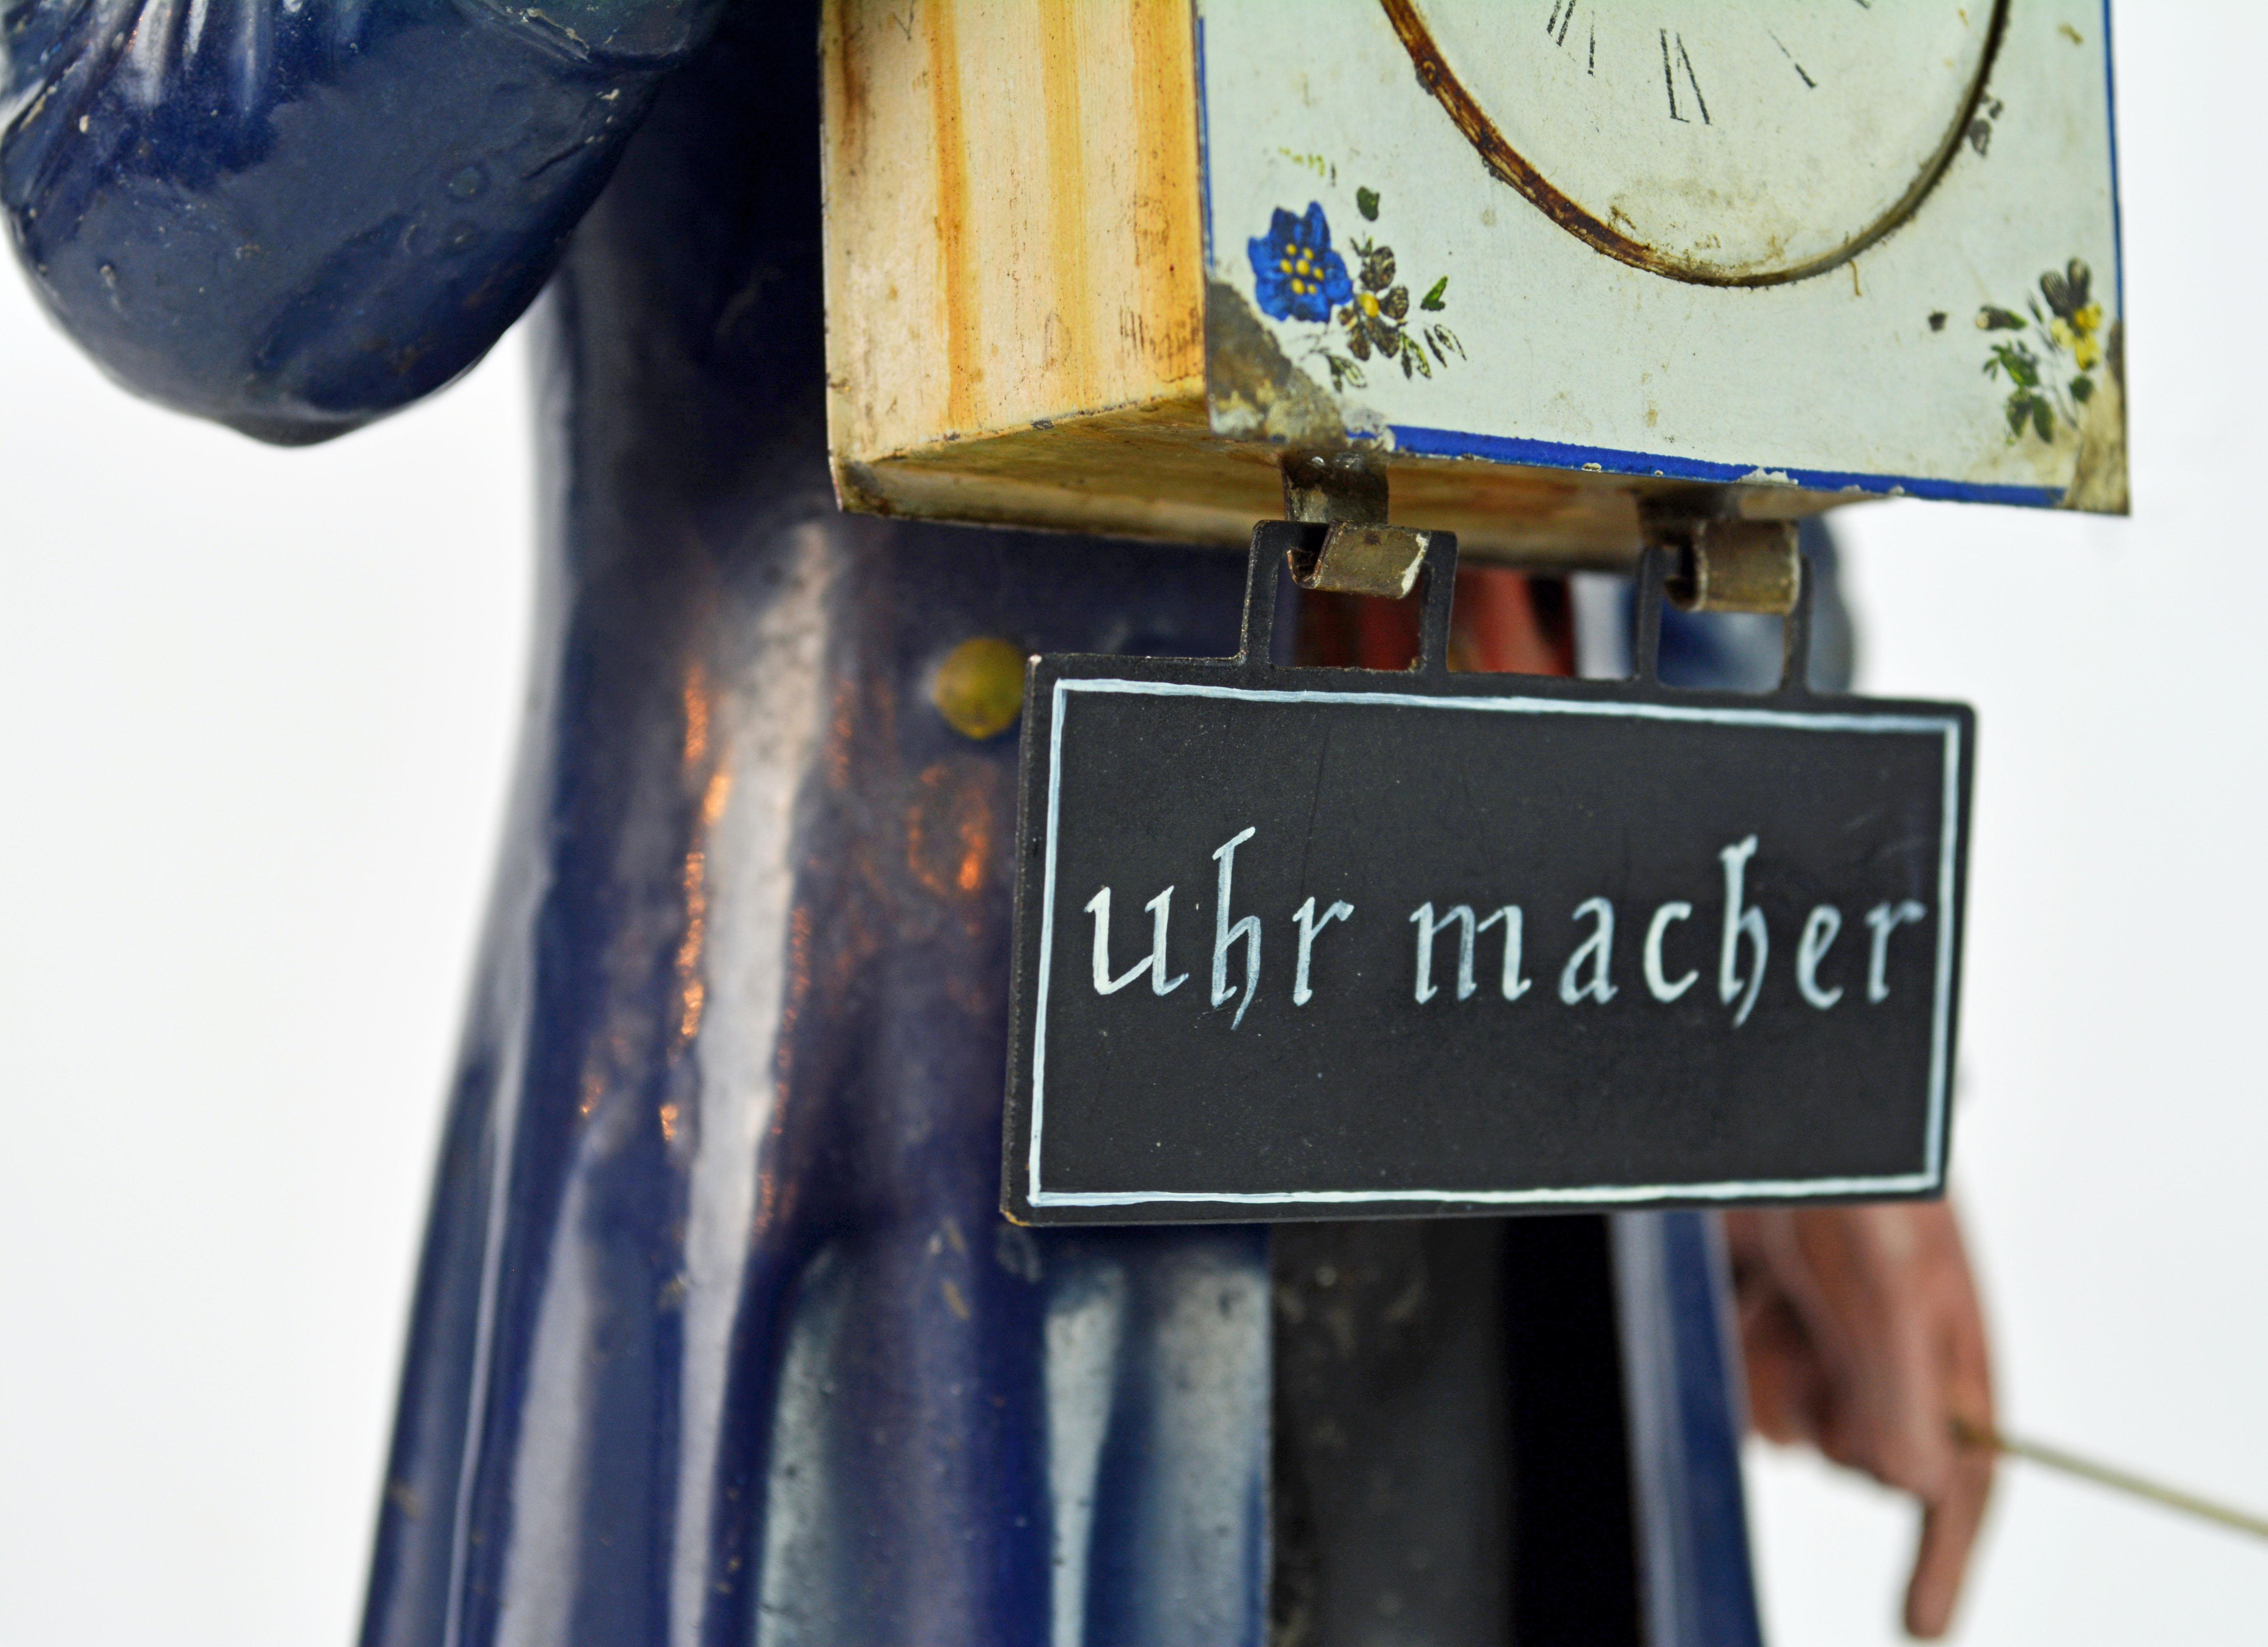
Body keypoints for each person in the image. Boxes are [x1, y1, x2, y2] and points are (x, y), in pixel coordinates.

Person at [2, 0, 1993, 1637]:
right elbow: (159, 214)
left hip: (1533, 1065)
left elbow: (1717, 191)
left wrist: (1776, 999)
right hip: (883, 1078)